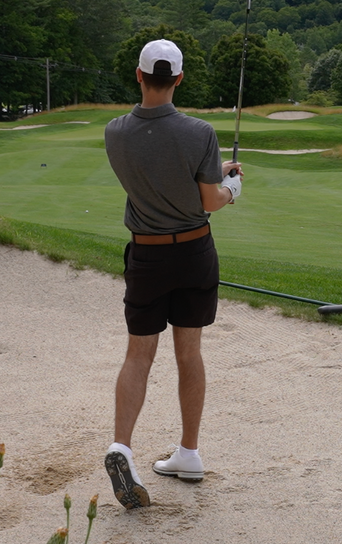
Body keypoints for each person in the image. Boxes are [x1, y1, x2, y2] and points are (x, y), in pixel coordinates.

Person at [101, 39, 243, 510]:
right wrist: (231, 186)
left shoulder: (115, 132)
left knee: (139, 354)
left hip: (147, 256)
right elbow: (208, 201)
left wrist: (209, 172)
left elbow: (156, 172)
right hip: (194, 253)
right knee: (189, 352)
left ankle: (122, 446)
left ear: (139, 76)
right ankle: (189, 453)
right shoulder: (200, 132)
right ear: (179, 79)